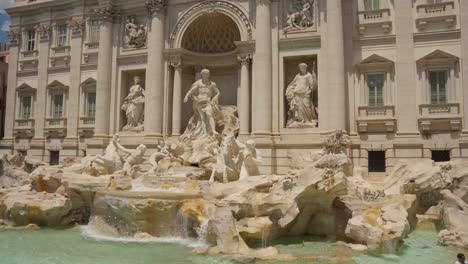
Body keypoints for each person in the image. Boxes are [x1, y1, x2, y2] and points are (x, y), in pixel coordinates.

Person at [182, 69, 220, 139]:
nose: (206, 76)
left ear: (209, 75)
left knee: (209, 114)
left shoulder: (212, 84)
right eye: (204, 74)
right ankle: (205, 133)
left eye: (207, 74)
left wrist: (215, 97)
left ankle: (213, 130)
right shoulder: (198, 83)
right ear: (202, 75)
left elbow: (217, 92)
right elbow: (191, 90)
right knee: (202, 118)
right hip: (199, 101)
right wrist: (186, 96)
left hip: (208, 101)